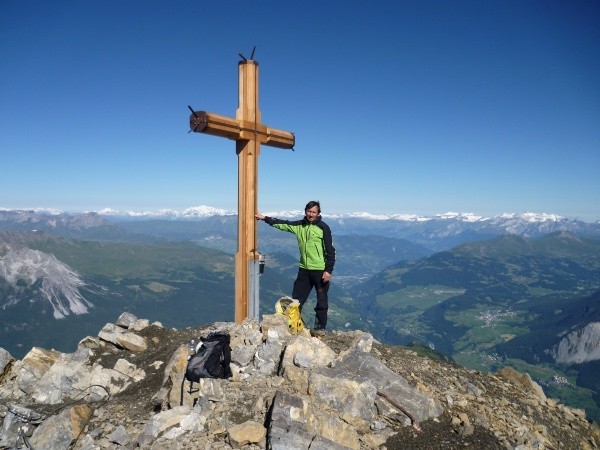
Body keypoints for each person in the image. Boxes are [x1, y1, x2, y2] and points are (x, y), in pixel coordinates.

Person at [256, 201, 335, 332]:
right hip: (304, 269)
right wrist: (265, 218)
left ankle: (320, 329)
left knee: (322, 302)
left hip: (320, 270)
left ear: (318, 213)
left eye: (314, 212)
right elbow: (283, 224)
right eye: (309, 211)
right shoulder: (299, 225)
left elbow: (331, 251)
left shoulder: (323, 228)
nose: (311, 214)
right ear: (305, 212)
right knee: (296, 300)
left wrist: (328, 270)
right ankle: (294, 325)